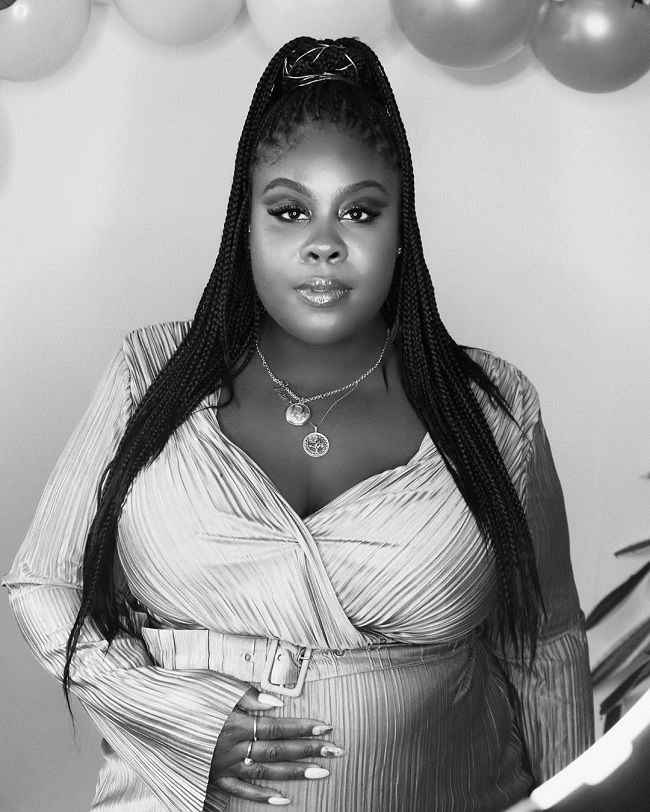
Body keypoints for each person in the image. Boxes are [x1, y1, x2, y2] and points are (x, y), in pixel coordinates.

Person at [2, 35, 594, 812]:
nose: (323, 245)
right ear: (245, 225)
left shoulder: (494, 407)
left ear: (400, 228)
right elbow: (45, 584)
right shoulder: (148, 376)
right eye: (289, 211)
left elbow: (544, 643)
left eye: (360, 212)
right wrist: (184, 723)